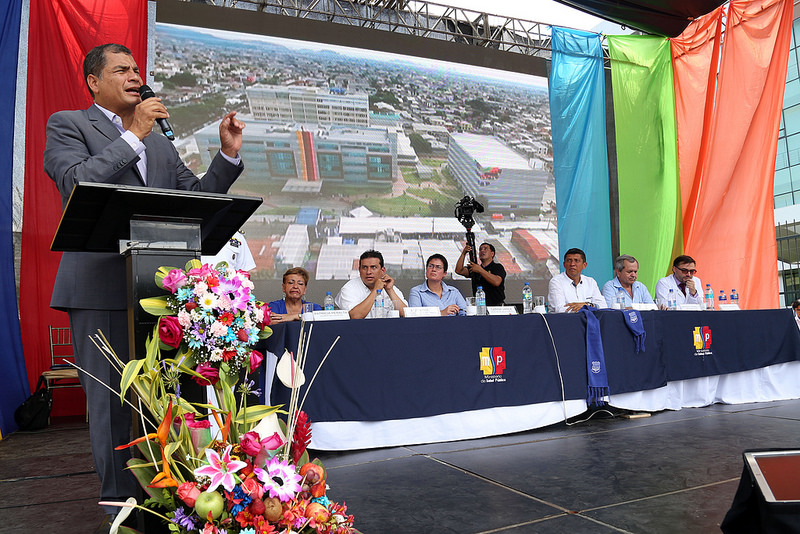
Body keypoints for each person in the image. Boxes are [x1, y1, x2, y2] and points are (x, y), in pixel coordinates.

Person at [43, 43, 245, 532]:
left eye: (137, 69)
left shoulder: (159, 143)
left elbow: (194, 198)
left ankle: (179, 503)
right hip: (99, 291)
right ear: (94, 81)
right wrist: (133, 134)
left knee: (174, 401)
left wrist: (226, 156)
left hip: (162, 292)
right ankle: (122, 512)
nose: (136, 76)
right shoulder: (69, 124)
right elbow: (75, 182)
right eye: (122, 70)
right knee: (112, 405)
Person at [335, 250, 407, 319]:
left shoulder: (390, 287)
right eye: (364, 267)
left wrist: (390, 290)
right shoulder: (349, 289)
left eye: (373, 267)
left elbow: (406, 314)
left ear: (382, 270)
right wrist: (376, 290)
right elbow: (355, 316)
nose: (368, 272)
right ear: (359, 270)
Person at [547, 248, 605, 313]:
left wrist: (587, 305)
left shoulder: (590, 282)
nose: (572, 264)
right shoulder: (556, 282)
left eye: (576, 261)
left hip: (588, 319)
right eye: (569, 260)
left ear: (584, 265)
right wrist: (586, 307)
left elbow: (603, 306)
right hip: (565, 319)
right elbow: (560, 309)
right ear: (564, 264)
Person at [454, 241, 506, 306]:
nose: (482, 251)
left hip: (496, 307)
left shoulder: (497, 267)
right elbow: (459, 270)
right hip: (480, 306)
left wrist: (480, 270)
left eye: (485, 249)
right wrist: (464, 253)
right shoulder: (475, 268)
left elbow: (496, 282)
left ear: (492, 253)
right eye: (480, 249)